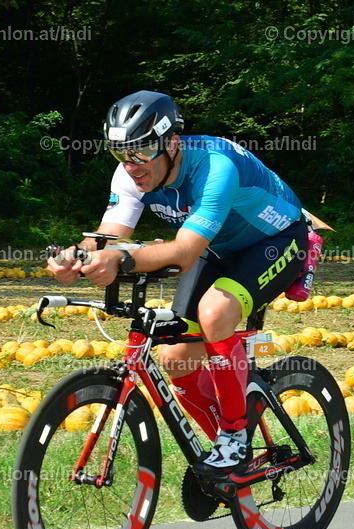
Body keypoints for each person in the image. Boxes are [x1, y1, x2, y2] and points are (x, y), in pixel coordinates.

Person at [47, 90, 310, 478]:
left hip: (275, 241)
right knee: (174, 358)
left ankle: (235, 438)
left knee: (215, 312)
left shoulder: (215, 165)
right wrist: (77, 256)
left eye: (141, 152)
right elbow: (109, 235)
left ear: (171, 142)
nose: (131, 165)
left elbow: (184, 251)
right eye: (121, 153)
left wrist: (120, 259)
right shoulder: (131, 172)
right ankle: (222, 458)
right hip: (216, 246)